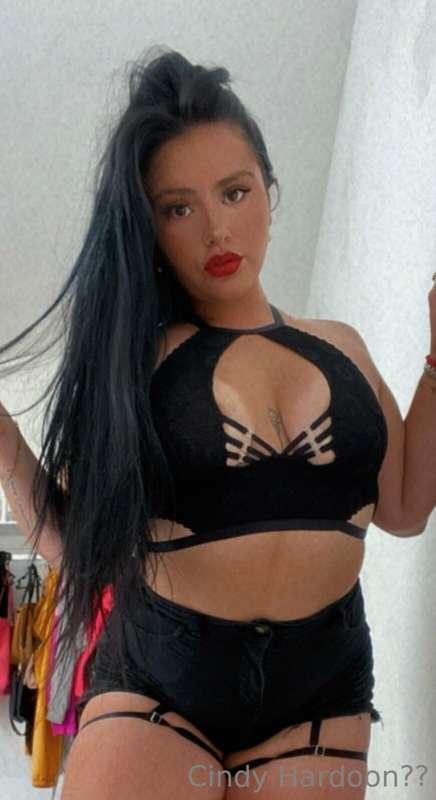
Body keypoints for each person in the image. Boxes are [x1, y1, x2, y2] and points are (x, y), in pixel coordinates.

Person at [0, 46, 429, 800]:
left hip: (320, 688)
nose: (216, 231)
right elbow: (73, 540)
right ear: (150, 227)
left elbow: (403, 509)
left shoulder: (344, 347)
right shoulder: (131, 361)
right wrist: (4, 439)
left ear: (269, 187)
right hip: (162, 680)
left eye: (234, 192)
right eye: (179, 208)